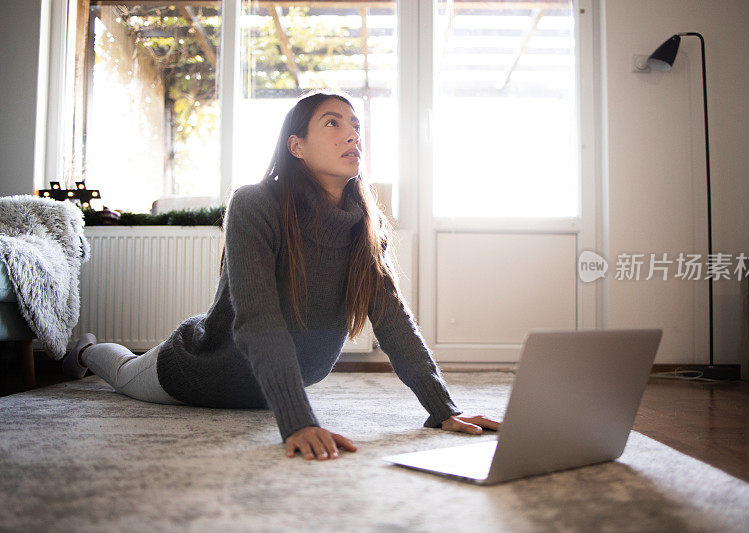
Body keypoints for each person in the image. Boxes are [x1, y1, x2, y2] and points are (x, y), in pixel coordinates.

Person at [63, 90, 501, 461]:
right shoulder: (256, 204)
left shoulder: (367, 226)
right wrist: (298, 422)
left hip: (279, 381)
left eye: (356, 125)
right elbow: (257, 319)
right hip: (203, 371)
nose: (352, 134)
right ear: (297, 145)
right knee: (121, 371)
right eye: (332, 123)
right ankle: (83, 351)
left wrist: (443, 408)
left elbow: (393, 321)